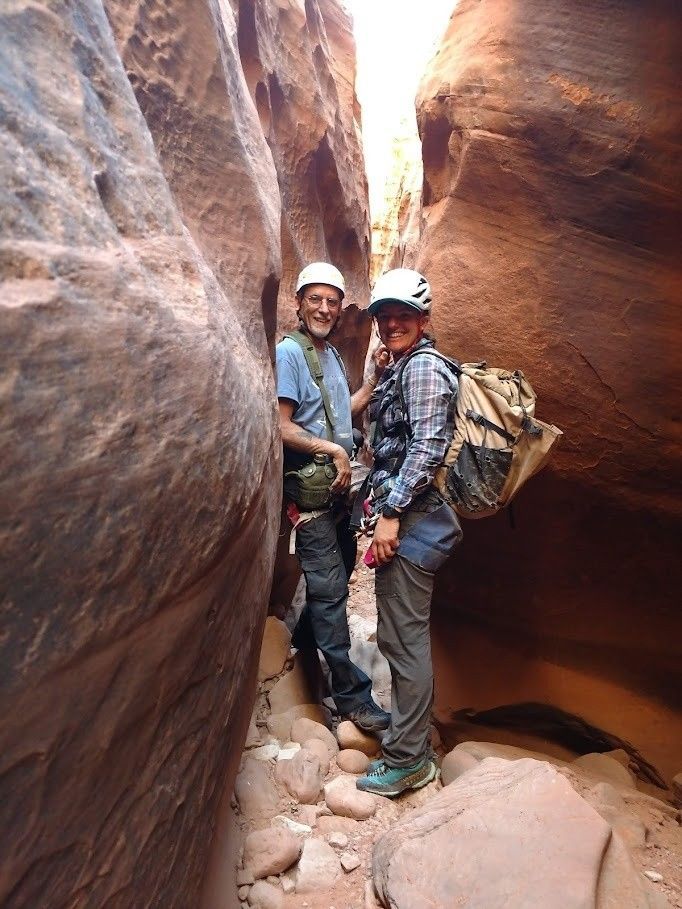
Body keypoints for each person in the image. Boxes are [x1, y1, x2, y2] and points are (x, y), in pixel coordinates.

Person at [355, 268, 462, 797]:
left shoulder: (422, 369)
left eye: (403, 315)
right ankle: (410, 742)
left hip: (416, 520)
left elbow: (427, 447)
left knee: (404, 640)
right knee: (401, 637)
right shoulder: (403, 365)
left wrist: (392, 511)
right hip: (409, 516)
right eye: (384, 316)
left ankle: (408, 759)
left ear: (424, 318)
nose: (392, 323)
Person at [276, 262, 390, 734]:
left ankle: (299, 653)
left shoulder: (332, 356)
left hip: (339, 498)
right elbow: (281, 425)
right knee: (329, 595)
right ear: (300, 303)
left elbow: (344, 413)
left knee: (335, 584)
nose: (324, 308)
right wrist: (332, 454)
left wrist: (374, 380)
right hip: (313, 500)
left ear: (341, 308)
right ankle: (353, 699)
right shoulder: (291, 353)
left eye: (332, 301)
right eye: (315, 299)